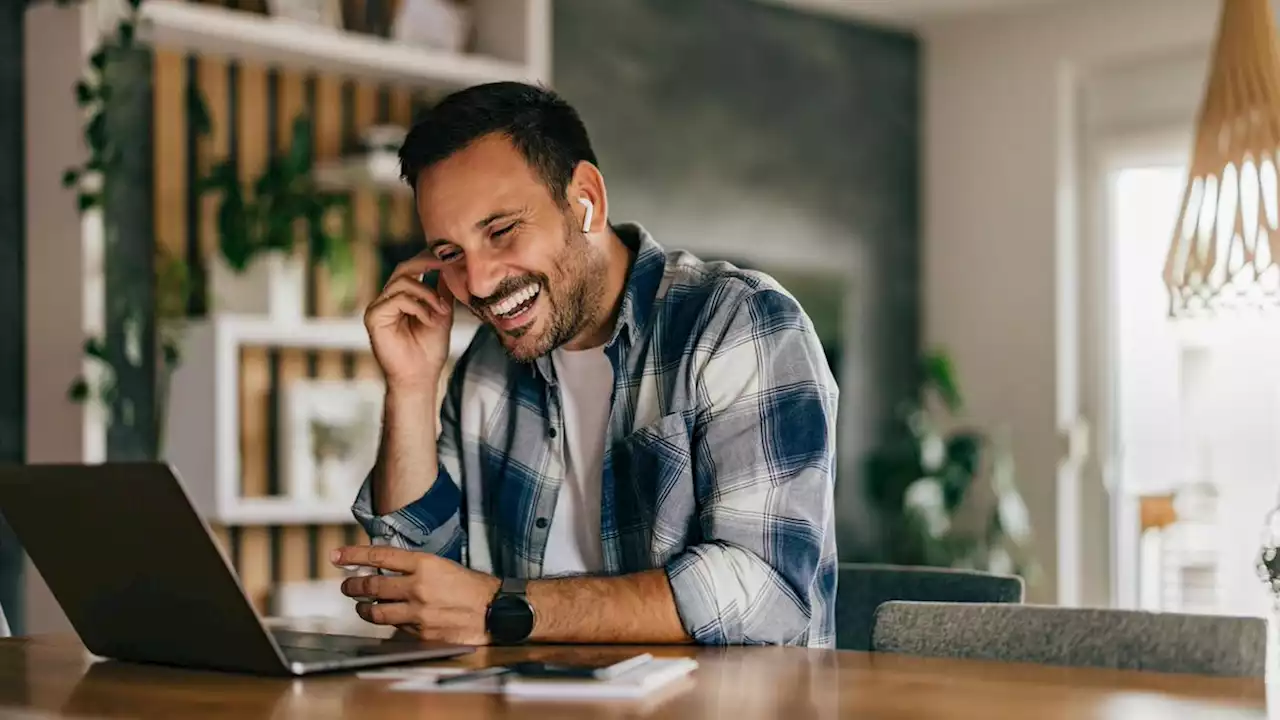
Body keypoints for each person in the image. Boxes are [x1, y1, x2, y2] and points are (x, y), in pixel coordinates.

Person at [332, 81, 839, 647]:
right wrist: (411, 385)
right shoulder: (485, 368)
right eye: (450, 254)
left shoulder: (738, 323)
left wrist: (506, 608)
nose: (476, 282)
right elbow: (416, 594)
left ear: (586, 200)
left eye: (500, 231)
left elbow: (766, 591)